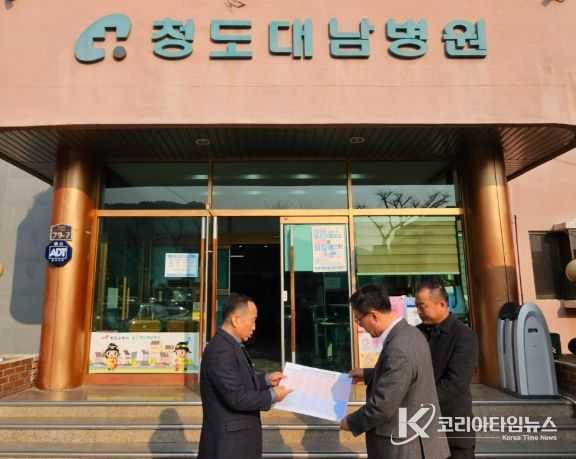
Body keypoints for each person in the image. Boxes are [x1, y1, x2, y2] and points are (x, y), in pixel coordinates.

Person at [340, 284, 450, 459]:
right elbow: (403, 376)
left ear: (373, 315)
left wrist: (351, 422)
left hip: (405, 446)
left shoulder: (398, 347)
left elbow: (382, 406)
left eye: (359, 319)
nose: (359, 325)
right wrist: (368, 374)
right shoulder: (410, 333)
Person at [198, 293, 291, 459]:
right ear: (235, 320)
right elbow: (237, 397)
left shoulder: (231, 345)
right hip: (230, 445)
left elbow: (239, 381)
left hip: (238, 442)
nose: (254, 327)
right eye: (252, 320)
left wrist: (266, 380)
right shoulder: (221, 350)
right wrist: (272, 395)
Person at [416, 281, 479, 459]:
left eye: (422, 306)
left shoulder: (464, 335)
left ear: (442, 304)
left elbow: (456, 384)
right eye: (417, 307)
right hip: (421, 427)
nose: (418, 312)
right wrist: (368, 374)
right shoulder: (416, 334)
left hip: (452, 427)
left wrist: (417, 400)